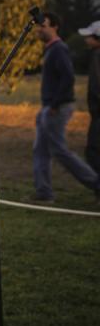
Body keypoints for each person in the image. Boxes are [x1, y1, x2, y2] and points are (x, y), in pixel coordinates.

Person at [32, 13, 100, 203]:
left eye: (43, 26)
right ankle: (43, 193)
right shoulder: (51, 49)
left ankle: (96, 183)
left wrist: (55, 105)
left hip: (57, 108)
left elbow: (68, 78)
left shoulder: (59, 49)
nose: (39, 29)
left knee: (60, 151)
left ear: (55, 27)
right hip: (48, 107)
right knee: (41, 150)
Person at [79, 20, 100, 193]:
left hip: (98, 113)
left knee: (93, 151)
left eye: (90, 36)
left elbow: (96, 86)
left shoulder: (97, 56)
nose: (86, 40)